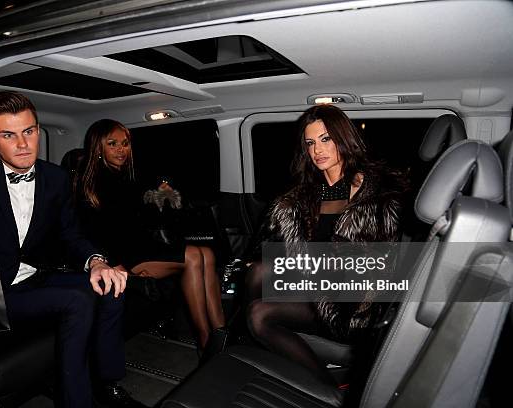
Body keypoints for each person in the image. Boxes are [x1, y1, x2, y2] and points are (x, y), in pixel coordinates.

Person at [0, 91, 144, 408]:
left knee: (113, 284)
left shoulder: (54, 178)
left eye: (29, 132)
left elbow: (71, 234)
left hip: (34, 275)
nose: (23, 144)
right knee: (78, 299)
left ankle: (107, 381)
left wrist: (96, 262)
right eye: (8, 135)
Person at [246, 104, 403, 383]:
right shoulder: (313, 193)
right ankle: (249, 349)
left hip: (349, 303)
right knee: (257, 270)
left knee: (259, 315)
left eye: (326, 139)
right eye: (310, 143)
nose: (317, 150)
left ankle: (329, 392)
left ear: (343, 138)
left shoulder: (373, 195)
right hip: (316, 281)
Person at [75, 119, 226, 352]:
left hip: (141, 248)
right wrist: (117, 265)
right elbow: (95, 234)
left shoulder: (128, 176)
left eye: (125, 144)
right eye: (112, 143)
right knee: (194, 257)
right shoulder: (93, 184)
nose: (120, 149)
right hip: (122, 257)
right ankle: (206, 341)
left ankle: (220, 332)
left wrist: (161, 193)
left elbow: (144, 218)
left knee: (206, 253)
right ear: (98, 147)